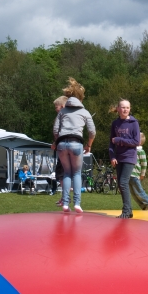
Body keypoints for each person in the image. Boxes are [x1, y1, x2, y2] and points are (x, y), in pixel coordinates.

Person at [53, 78, 95, 214]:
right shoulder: (85, 112)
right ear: (81, 99)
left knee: (67, 173)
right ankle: (77, 203)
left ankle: (65, 203)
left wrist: (57, 142)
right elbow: (92, 132)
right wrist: (89, 145)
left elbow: (55, 130)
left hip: (62, 144)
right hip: (76, 144)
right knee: (76, 173)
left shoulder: (62, 112)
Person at [109, 99, 141, 219]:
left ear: (130, 109)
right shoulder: (115, 124)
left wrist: (120, 140)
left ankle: (126, 211)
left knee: (123, 182)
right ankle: (129, 211)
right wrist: (112, 157)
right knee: (121, 184)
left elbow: (136, 141)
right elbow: (111, 143)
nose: (125, 110)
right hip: (118, 157)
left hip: (129, 156)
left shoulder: (134, 123)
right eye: (123, 107)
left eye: (127, 107)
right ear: (118, 109)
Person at [129, 132, 148, 211]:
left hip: (135, 174)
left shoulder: (140, 151)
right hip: (129, 174)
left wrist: (142, 174)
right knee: (133, 192)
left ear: (139, 142)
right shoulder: (131, 150)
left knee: (139, 191)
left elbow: (144, 164)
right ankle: (143, 206)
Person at [51, 96, 67, 201]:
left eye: (56, 107)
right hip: (73, 146)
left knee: (61, 173)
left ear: (62, 106)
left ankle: (65, 197)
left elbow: (57, 132)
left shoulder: (61, 117)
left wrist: (56, 143)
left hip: (63, 146)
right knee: (70, 173)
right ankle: (66, 197)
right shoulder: (72, 116)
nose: (55, 109)